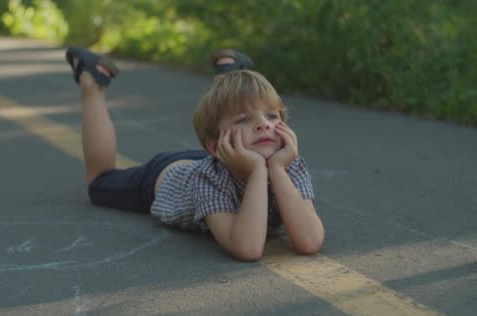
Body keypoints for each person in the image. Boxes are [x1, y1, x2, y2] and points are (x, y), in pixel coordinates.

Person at [65, 46, 324, 261]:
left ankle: (230, 75)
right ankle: (92, 84)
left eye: (271, 115)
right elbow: (247, 248)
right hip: (169, 175)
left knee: (229, 109)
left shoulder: (289, 164)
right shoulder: (208, 180)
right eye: (244, 119)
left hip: (227, 155)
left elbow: (310, 240)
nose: (264, 124)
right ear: (215, 145)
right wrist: (258, 169)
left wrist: (276, 169)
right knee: (99, 182)